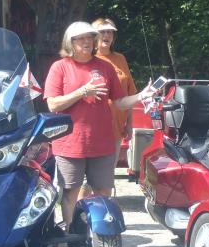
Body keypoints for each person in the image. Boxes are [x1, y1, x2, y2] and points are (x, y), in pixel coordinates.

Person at [43, 21, 156, 228]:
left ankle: (98, 236)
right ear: (70, 42)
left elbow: (120, 101)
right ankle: (71, 235)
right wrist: (81, 92)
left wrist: (141, 96)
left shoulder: (105, 67)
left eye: (89, 38)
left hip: (102, 143)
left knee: (104, 192)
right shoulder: (60, 67)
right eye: (81, 38)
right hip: (70, 144)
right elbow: (53, 104)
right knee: (70, 193)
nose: (87, 41)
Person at [73, 17, 138, 199]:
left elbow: (128, 94)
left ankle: (103, 212)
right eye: (102, 31)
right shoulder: (87, 59)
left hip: (116, 128)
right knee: (86, 179)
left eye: (110, 32)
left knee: (106, 176)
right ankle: (80, 214)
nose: (107, 35)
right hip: (91, 128)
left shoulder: (120, 59)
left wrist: (130, 123)